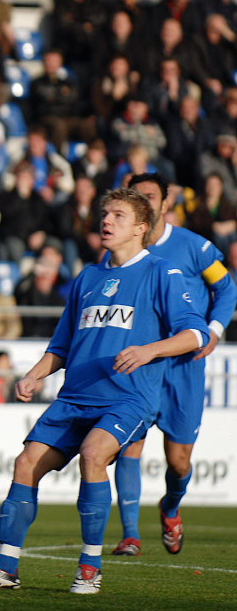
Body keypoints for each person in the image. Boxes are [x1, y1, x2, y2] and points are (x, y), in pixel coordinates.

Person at [0, 187, 210, 595]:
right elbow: (61, 346)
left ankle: (90, 568)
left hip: (128, 398)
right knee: (25, 464)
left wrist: (149, 350)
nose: (106, 221)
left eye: (117, 216)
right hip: (75, 397)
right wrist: (34, 375)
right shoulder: (88, 277)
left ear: (141, 228)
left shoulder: (161, 272)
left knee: (94, 455)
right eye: (104, 214)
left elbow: (194, 333)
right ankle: (5, 567)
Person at [111, 173, 237, 557]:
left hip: (183, 366)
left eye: (150, 196)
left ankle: (170, 507)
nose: (144, 202)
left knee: (179, 461)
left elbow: (226, 287)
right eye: (136, 196)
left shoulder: (195, 247)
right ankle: (130, 534)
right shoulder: (119, 250)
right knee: (128, 445)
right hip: (140, 364)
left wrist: (214, 330)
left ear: (166, 203)